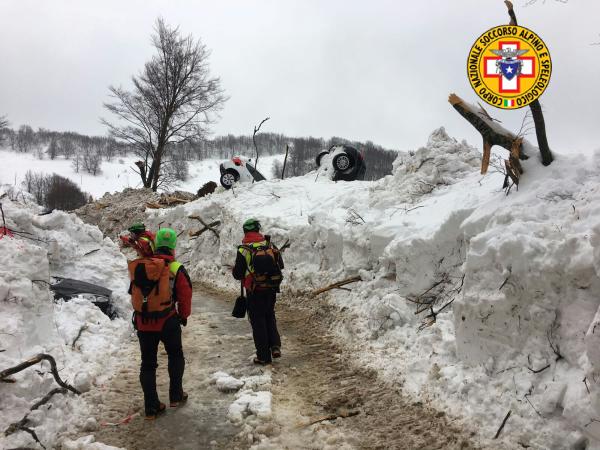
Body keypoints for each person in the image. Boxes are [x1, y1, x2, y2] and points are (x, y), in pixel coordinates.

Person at [129, 227, 192, 419]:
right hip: (168, 320)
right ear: (173, 246)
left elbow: (134, 292)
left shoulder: (142, 265)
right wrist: (183, 315)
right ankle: (176, 395)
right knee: (175, 355)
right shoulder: (175, 268)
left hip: (144, 321)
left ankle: (151, 406)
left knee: (147, 364)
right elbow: (185, 294)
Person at [232, 218, 284, 365]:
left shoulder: (243, 249)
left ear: (245, 231)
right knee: (269, 315)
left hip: (254, 290)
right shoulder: (269, 244)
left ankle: (263, 356)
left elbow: (238, 274)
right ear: (258, 229)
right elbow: (280, 264)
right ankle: (275, 346)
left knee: (258, 321)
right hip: (271, 287)